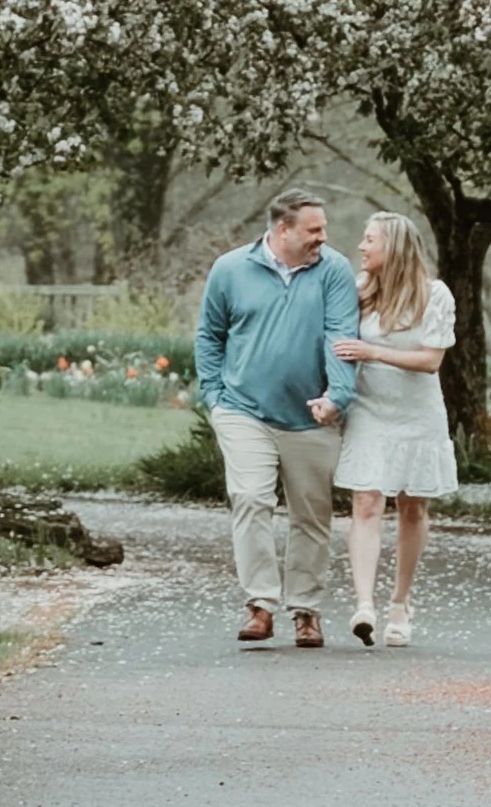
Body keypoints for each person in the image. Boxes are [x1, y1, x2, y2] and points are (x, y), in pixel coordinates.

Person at [194, 188, 359, 648]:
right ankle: (260, 605)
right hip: (243, 409)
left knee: (311, 515)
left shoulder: (334, 271)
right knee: (249, 497)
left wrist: (337, 396)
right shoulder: (230, 269)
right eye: (314, 230)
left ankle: (306, 610)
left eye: (323, 229)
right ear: (282, 229)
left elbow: (341, 336)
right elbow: (209, 335)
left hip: (312, 415)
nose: (323, 238)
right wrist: (214, 395)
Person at [332, 211, 457, 648]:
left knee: (412, 507)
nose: (362, 247)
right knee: (366, 498)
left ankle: (400, 603)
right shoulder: (359, 292)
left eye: (370, 240)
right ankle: (363, 604)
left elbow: (431, 360)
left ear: (395, 247)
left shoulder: (434, 295)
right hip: (369, 408)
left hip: (417, 413)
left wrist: (373, 351)